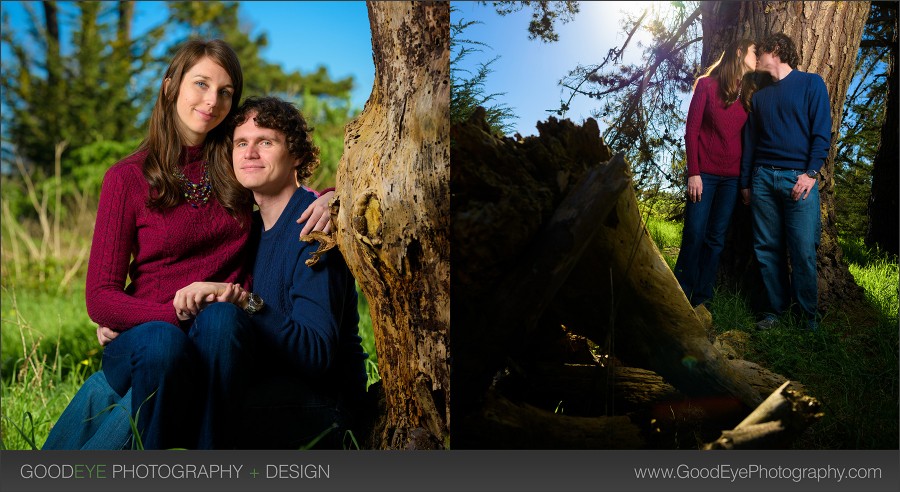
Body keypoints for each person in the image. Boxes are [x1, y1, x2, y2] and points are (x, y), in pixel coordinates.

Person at [42, 39, 333, 450]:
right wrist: (170, 315)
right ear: (170, 87)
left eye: (225, 91)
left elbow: (284, 189)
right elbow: (100, 298)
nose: (212, 100)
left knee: (221, 320)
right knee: (166, 343)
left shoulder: (233, 166)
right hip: (151, 335)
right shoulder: (125, 179)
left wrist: (337, 197)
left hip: (221, 335)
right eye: (200, 84)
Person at [171, 96, 368, 448]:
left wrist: (247, 302)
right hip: (265, 388)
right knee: (135, 388)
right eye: (241, 143)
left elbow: (316, 353)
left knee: (178, 405)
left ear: (296, 155)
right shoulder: (245, 229)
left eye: (265, 142)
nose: (250, 153)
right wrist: (125, 320)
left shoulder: (316, 226)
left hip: (323, 406)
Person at [740, 33, 831, 332]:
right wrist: (746, 183)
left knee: (803, 248)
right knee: (766, 247)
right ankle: (774, 312)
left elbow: (821, 134)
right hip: (763, 178)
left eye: (760, 52)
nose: (756, 59)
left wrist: (810, 174)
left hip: (799, 179)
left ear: (776, 51)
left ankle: (808, 318)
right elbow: (750, 144)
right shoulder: (760, 97)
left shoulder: (811, 83)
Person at [672, 39, 757, 307]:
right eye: (755, 52)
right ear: (740, 51)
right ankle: (680, 296)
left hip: (731, 180)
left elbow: (747, 140)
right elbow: (692, 130)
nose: (758, 58)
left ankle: (702, 301)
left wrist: (744, 181)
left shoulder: (748, 93)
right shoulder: (707, 85)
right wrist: (693, 172)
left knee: (715, 240)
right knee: (695, 234)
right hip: (704, 175)